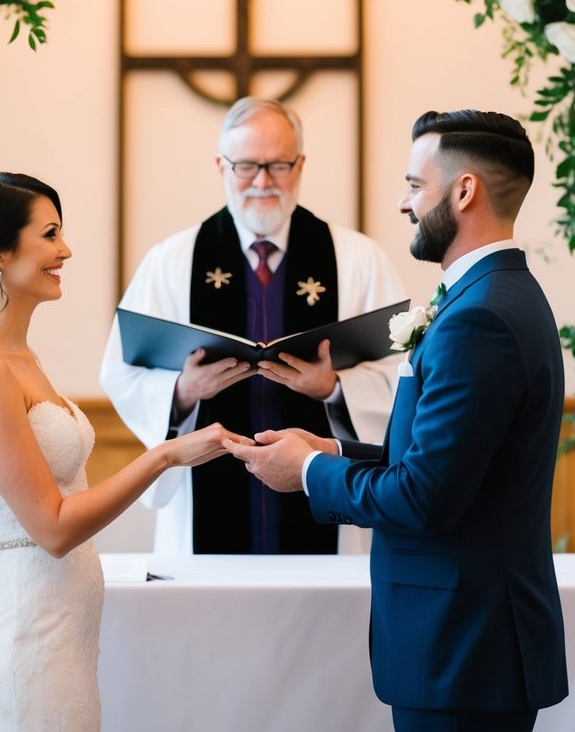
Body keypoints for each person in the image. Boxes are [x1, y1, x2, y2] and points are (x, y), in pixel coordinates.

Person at [225, 109, 569, 732]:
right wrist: (332, 446)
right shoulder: (492, 296)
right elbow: (443, 461)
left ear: (464, 191)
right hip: (468, 642)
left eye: (415, 185)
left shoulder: (480, 318)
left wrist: (307, 472)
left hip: (464, 646)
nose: (403, 203)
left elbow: (424, 497)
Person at [0, 170, 244, 732]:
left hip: (61, 635)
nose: (65, 250)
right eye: (50, 234)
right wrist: (163, 457)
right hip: (25, 641)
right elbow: (54, 527)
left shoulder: (20, 356)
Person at [100, 96, 407, 555]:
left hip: (322, 505)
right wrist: (184, 390)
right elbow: (120, 372)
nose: (262, 181)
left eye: (279, 165)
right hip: (205, 504)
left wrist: (335, 388)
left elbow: (404, 371)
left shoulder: (357, 260)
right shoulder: (172, 262)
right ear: (221, 167)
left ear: (300, 166)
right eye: (246, 166)